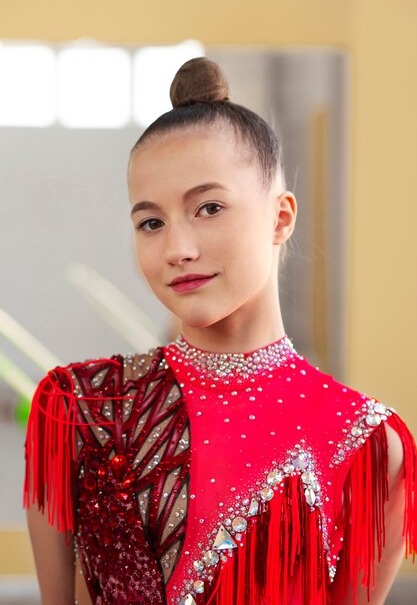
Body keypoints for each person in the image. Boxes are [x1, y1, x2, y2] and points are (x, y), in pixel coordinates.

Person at [23, 57, 417, 605]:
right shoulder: (80, 409)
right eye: (151, 222)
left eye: (208, 207)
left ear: (280, 218)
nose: (177, 250)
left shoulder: (369, 446)